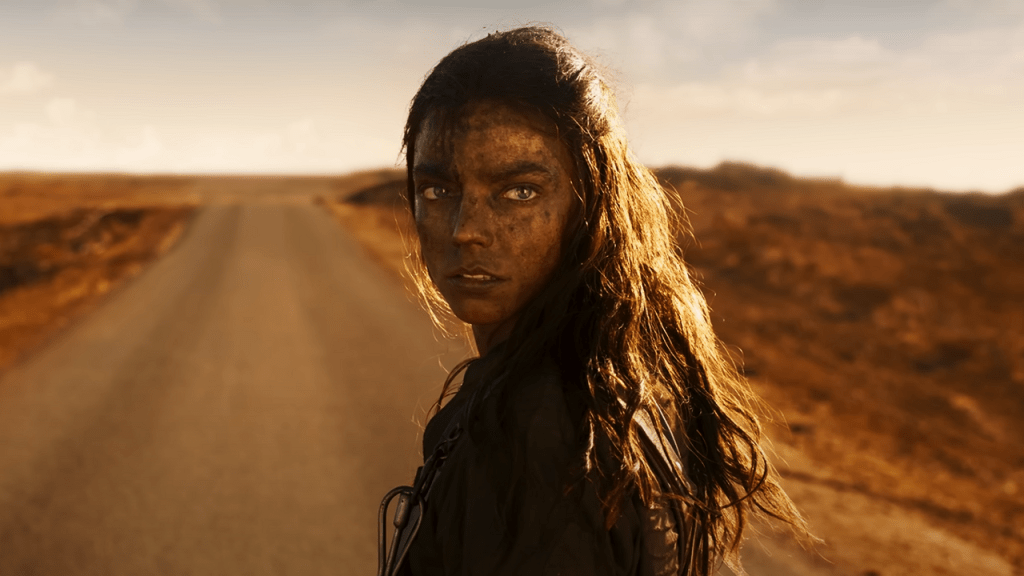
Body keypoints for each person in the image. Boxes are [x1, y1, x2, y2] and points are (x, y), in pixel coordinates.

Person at [380, 25, 810, 576]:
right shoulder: (617, 378)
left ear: (590, 203)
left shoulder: (543, 431)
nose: (466, 230)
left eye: (519, 191)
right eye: (438, 190)